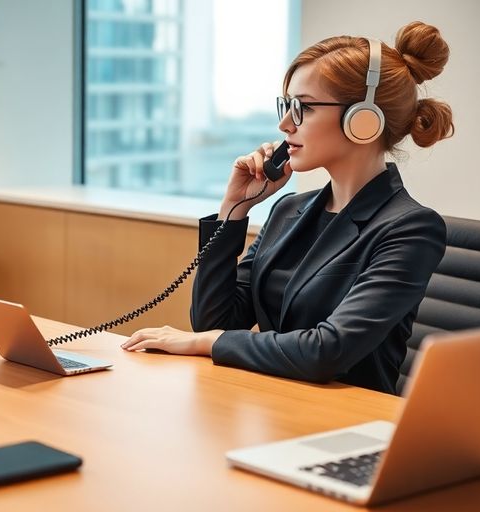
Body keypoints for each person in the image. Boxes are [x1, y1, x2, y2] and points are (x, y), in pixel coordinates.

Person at [120, 21, 455, 395]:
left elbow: (326, 351)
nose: (284, 124)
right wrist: (234, 208)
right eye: (286, 106)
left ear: (363, 120)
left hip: (349, 423)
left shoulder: (410, 228)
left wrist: (207, 344)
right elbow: (214, 320)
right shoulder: (288, 211)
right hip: (275, 403)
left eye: (303, 109)